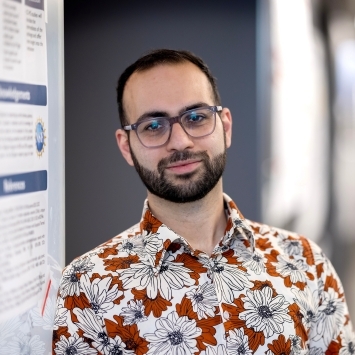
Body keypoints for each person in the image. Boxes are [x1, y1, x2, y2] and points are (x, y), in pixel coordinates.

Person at [53, 49, 355, 355]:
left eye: (196, 118)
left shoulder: (304, 263)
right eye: (153, 126)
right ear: (126, 147)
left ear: (225, 126)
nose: (180, 141)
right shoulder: (86, 287)